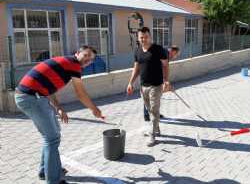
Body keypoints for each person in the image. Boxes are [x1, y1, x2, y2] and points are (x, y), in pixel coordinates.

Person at [15, 46, 105, 184]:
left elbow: (46, 86)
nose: (88, 60)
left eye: (91, 59)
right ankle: (53, 180)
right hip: (31, 98)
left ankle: (45, 170)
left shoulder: (66, 63)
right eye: (86, 55)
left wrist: (59, 108)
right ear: (77, 53)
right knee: (52, 139)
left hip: (35, 97)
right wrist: (94, 109)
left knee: (53, 135)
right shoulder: (74, 64)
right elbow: (80, 93)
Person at [127, 27, 171, 147]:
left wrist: (166, 80)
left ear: (150, 36)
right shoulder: (137, 51)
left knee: (154, 110)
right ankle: (156, 129)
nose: (143, 39)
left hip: (156, 86)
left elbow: (166, 65)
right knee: (149, 110)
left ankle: (152, 135)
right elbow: (136, 68)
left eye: (146, 37)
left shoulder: (158, 49)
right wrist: (131, 82)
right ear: (138, 38)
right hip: (143, 86)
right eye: (141, 37)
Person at [143, 45, 180, 121]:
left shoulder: (165, 53)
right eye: (176, 54)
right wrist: (166, 82)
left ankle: (149, 114)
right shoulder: (165, 54)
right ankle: (149, 114)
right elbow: (163, 68)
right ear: (173, 51)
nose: (175, 57)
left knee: (154, 95)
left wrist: (166, 82)